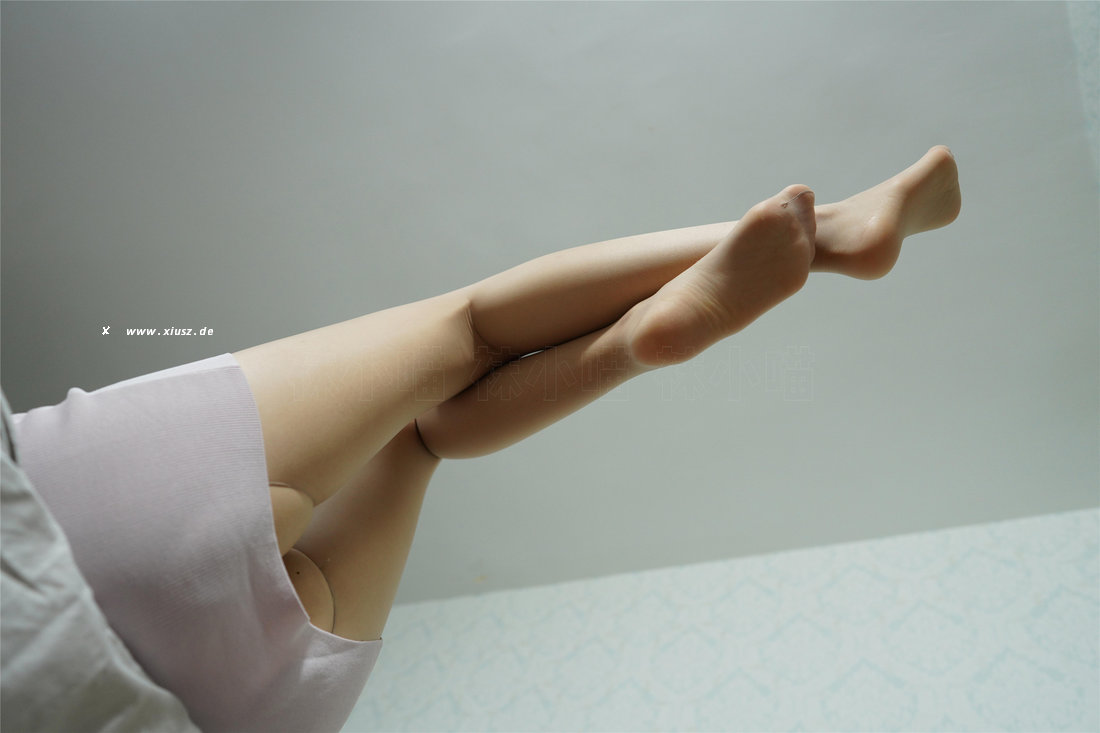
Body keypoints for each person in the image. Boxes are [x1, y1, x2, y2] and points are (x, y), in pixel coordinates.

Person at [3, 146, 961, 732]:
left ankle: (634, 343)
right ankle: (834, 232)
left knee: (424, 441)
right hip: (78, 554)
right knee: (464, 332)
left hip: (261, 713)